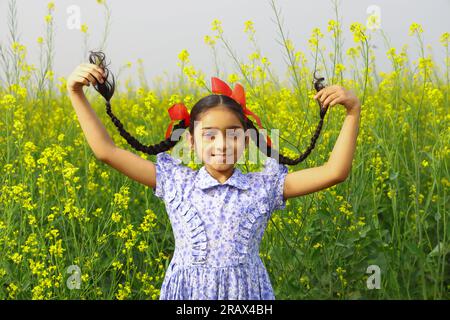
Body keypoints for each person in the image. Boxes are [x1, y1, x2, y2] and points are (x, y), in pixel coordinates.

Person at [66, 51, 361, 300]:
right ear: (191, 141)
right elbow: (106, 151)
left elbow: (335, 172)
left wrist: (352, 112)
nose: (221, 145)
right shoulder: (176, 182)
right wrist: (76, 92)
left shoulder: (264, 186)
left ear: (247, 140)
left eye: (232, 135)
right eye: (209, 136)